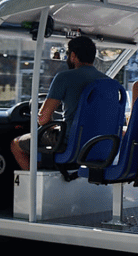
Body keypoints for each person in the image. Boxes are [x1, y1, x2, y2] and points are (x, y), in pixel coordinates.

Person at [10, 35, 106, 170]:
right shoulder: (108, 81)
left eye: (67, 54)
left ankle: (37, 182)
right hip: (99, 143)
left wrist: (52, 127)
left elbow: (43, 118)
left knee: (16, 144)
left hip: (69, 142)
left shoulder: (64, 77)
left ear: (73, 55)